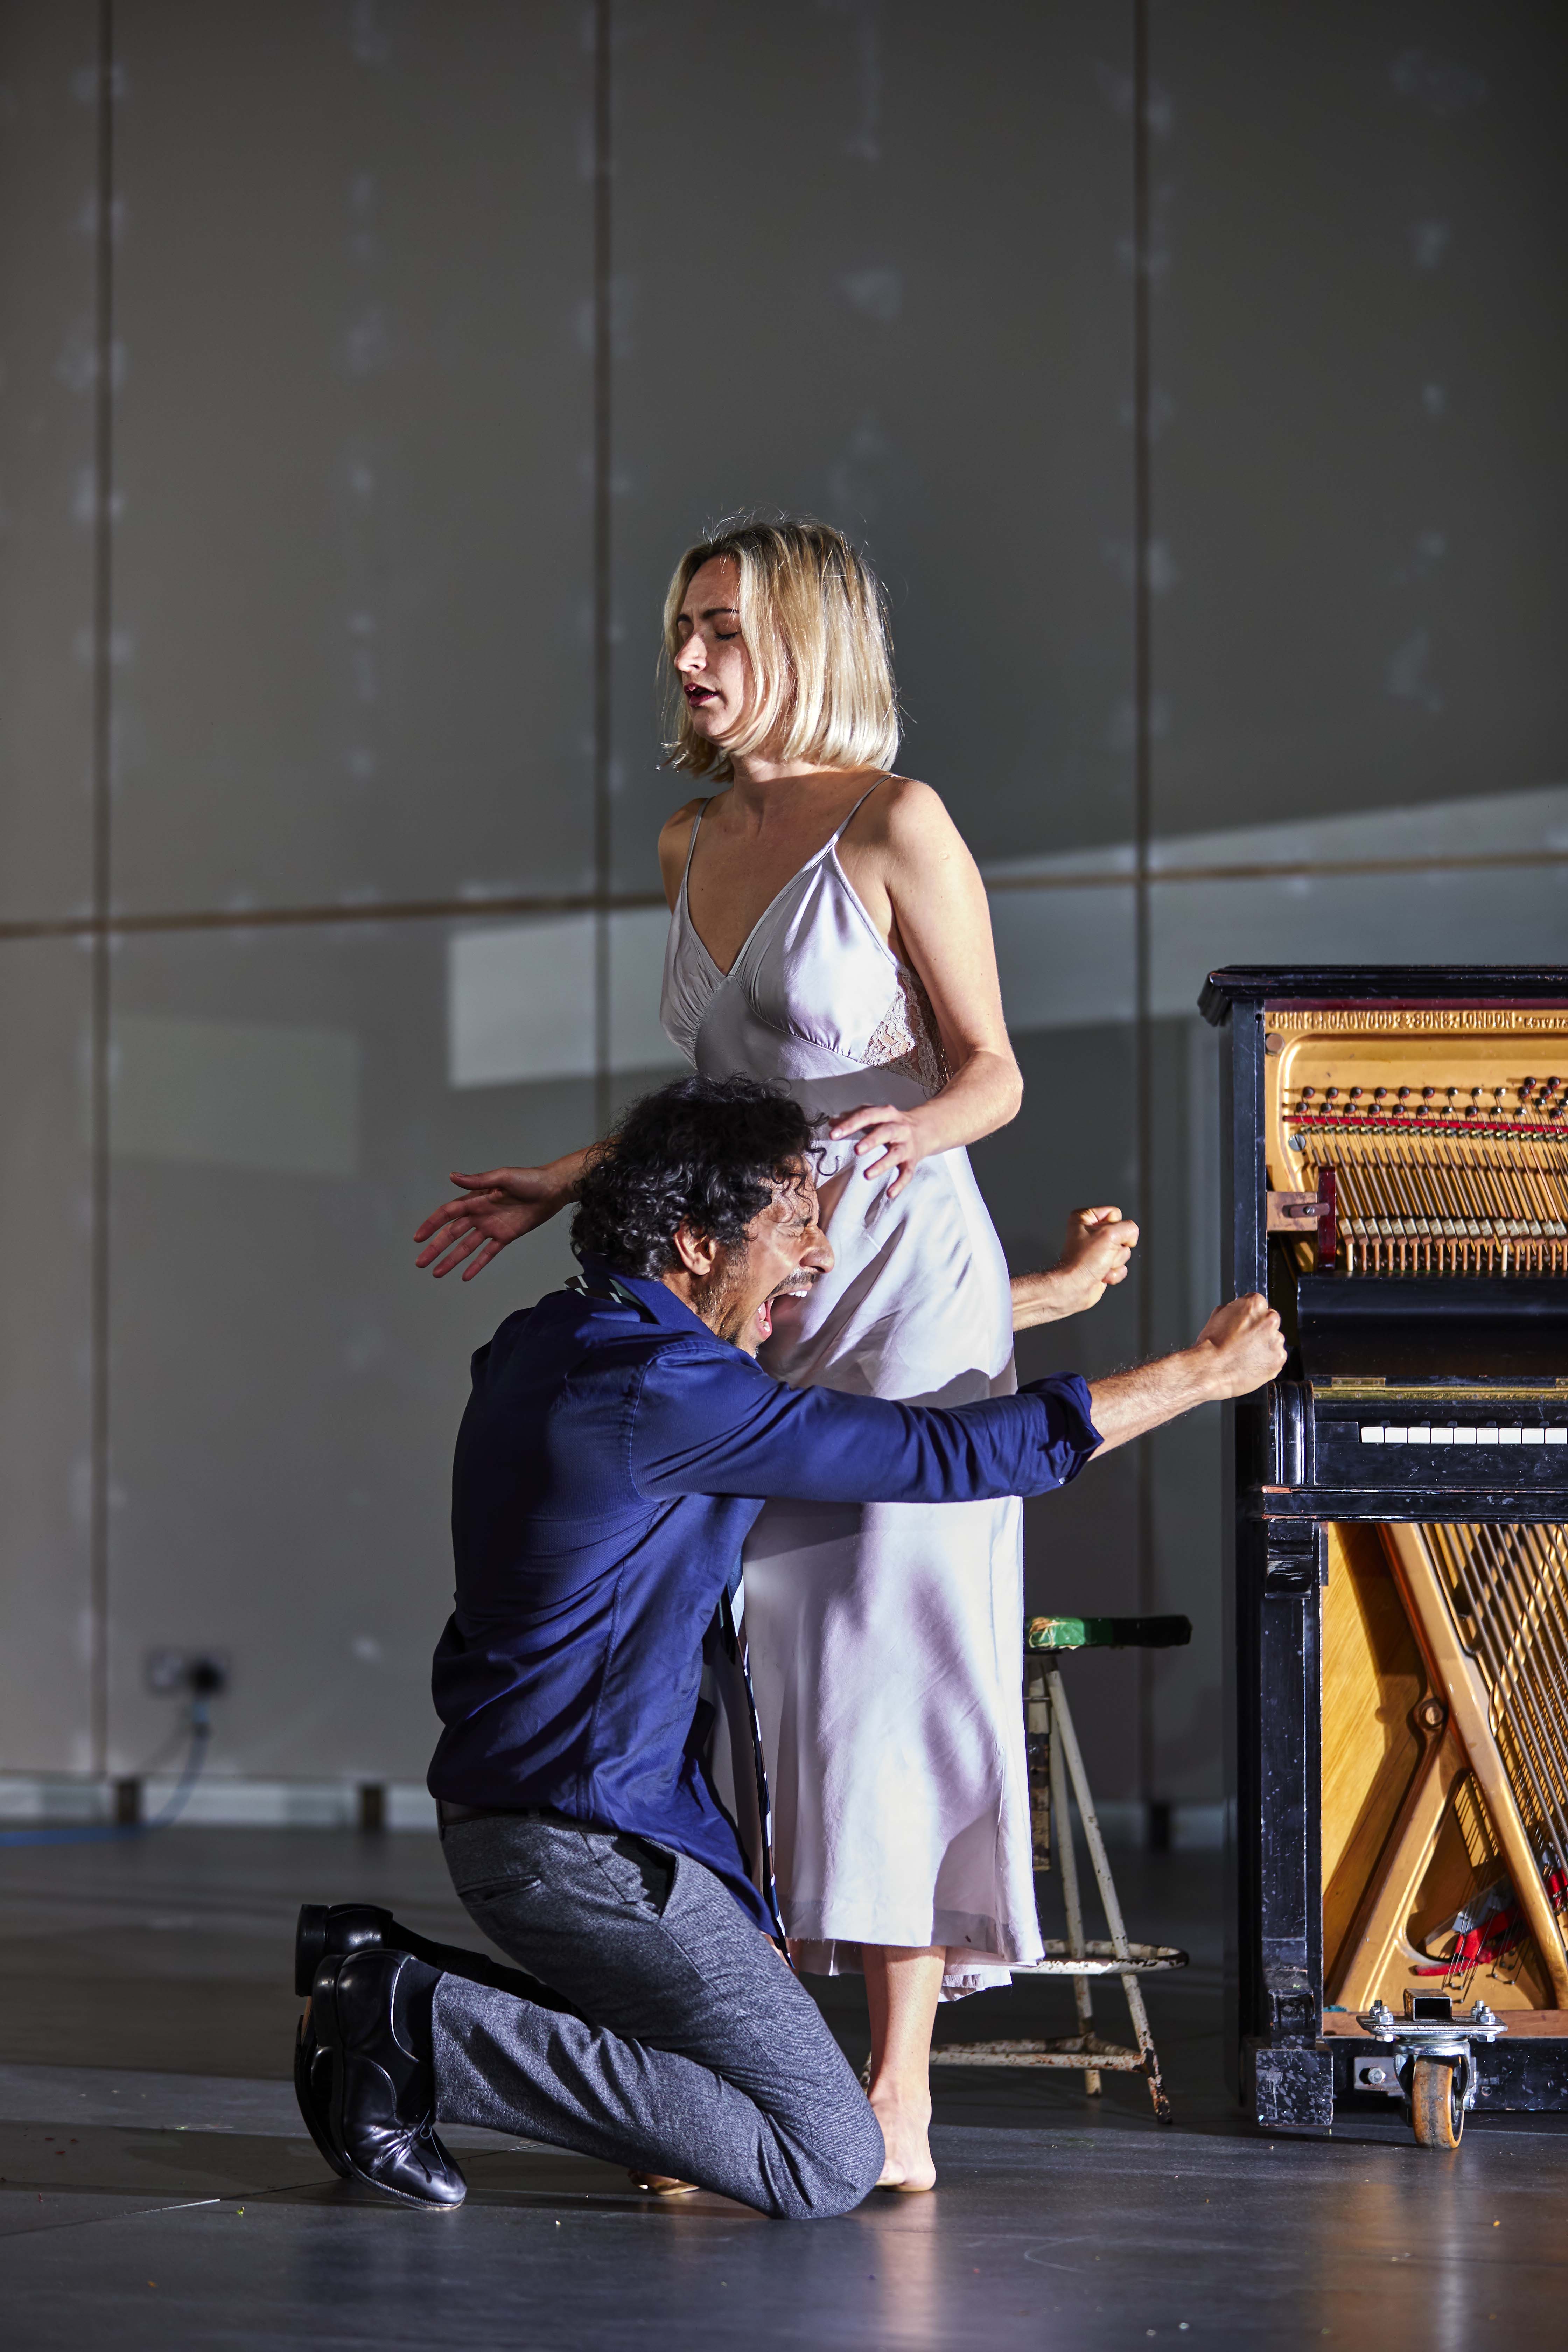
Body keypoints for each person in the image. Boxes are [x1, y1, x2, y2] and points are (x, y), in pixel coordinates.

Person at [413, 514, 1140, 2190]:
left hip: (899, 1271)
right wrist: (568, 1178)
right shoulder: (691, 840)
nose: (688, 659)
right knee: (738, 1649)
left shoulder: (895, 822)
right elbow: (726, 1111)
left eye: (724, 629)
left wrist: (907, 1136)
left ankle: (898, 2093)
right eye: (684, 627)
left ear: (809, 639)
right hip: (764, 1286)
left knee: (890, 1655)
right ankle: (743, 2051)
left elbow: (992, 1073)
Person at [305, 1077, 1284, 2216]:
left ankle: (397, 1983)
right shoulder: (666, 1390)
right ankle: (412, 2019)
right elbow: (950, 1455)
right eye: (794, 1225)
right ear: (694, 1242)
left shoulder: (556, 1339)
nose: (822, 1254)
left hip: (540, 1824)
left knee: (716, 2111)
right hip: (584, 1851)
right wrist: (1201, 1375)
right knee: (822, 2157)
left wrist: (1054, 1295)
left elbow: (858, 1345)